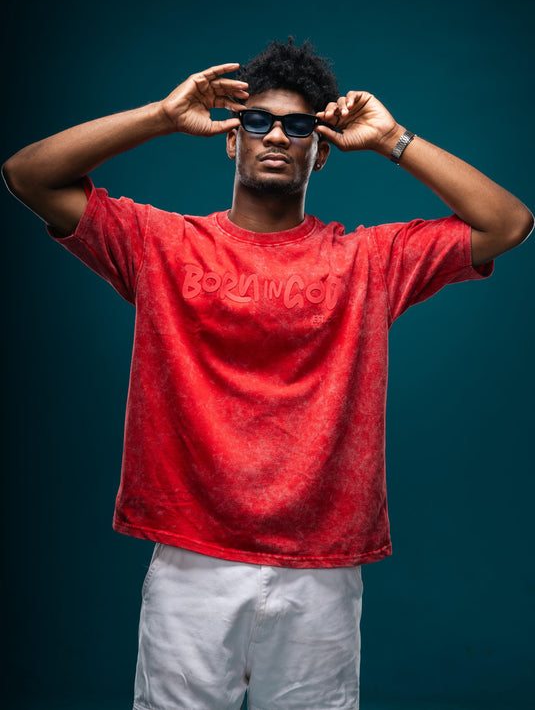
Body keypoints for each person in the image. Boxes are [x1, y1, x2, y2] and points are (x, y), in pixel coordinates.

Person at [3, 39, 533, 710]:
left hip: (321, 566)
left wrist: (393, 139)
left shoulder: (369, 260)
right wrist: (161, 116)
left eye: (300, 126)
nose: (277, 136)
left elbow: (508, 222)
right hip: (193, 559)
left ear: (322, 149)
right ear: (231, 139)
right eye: (257, 121)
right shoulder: (160, 245)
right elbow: (28, 175)